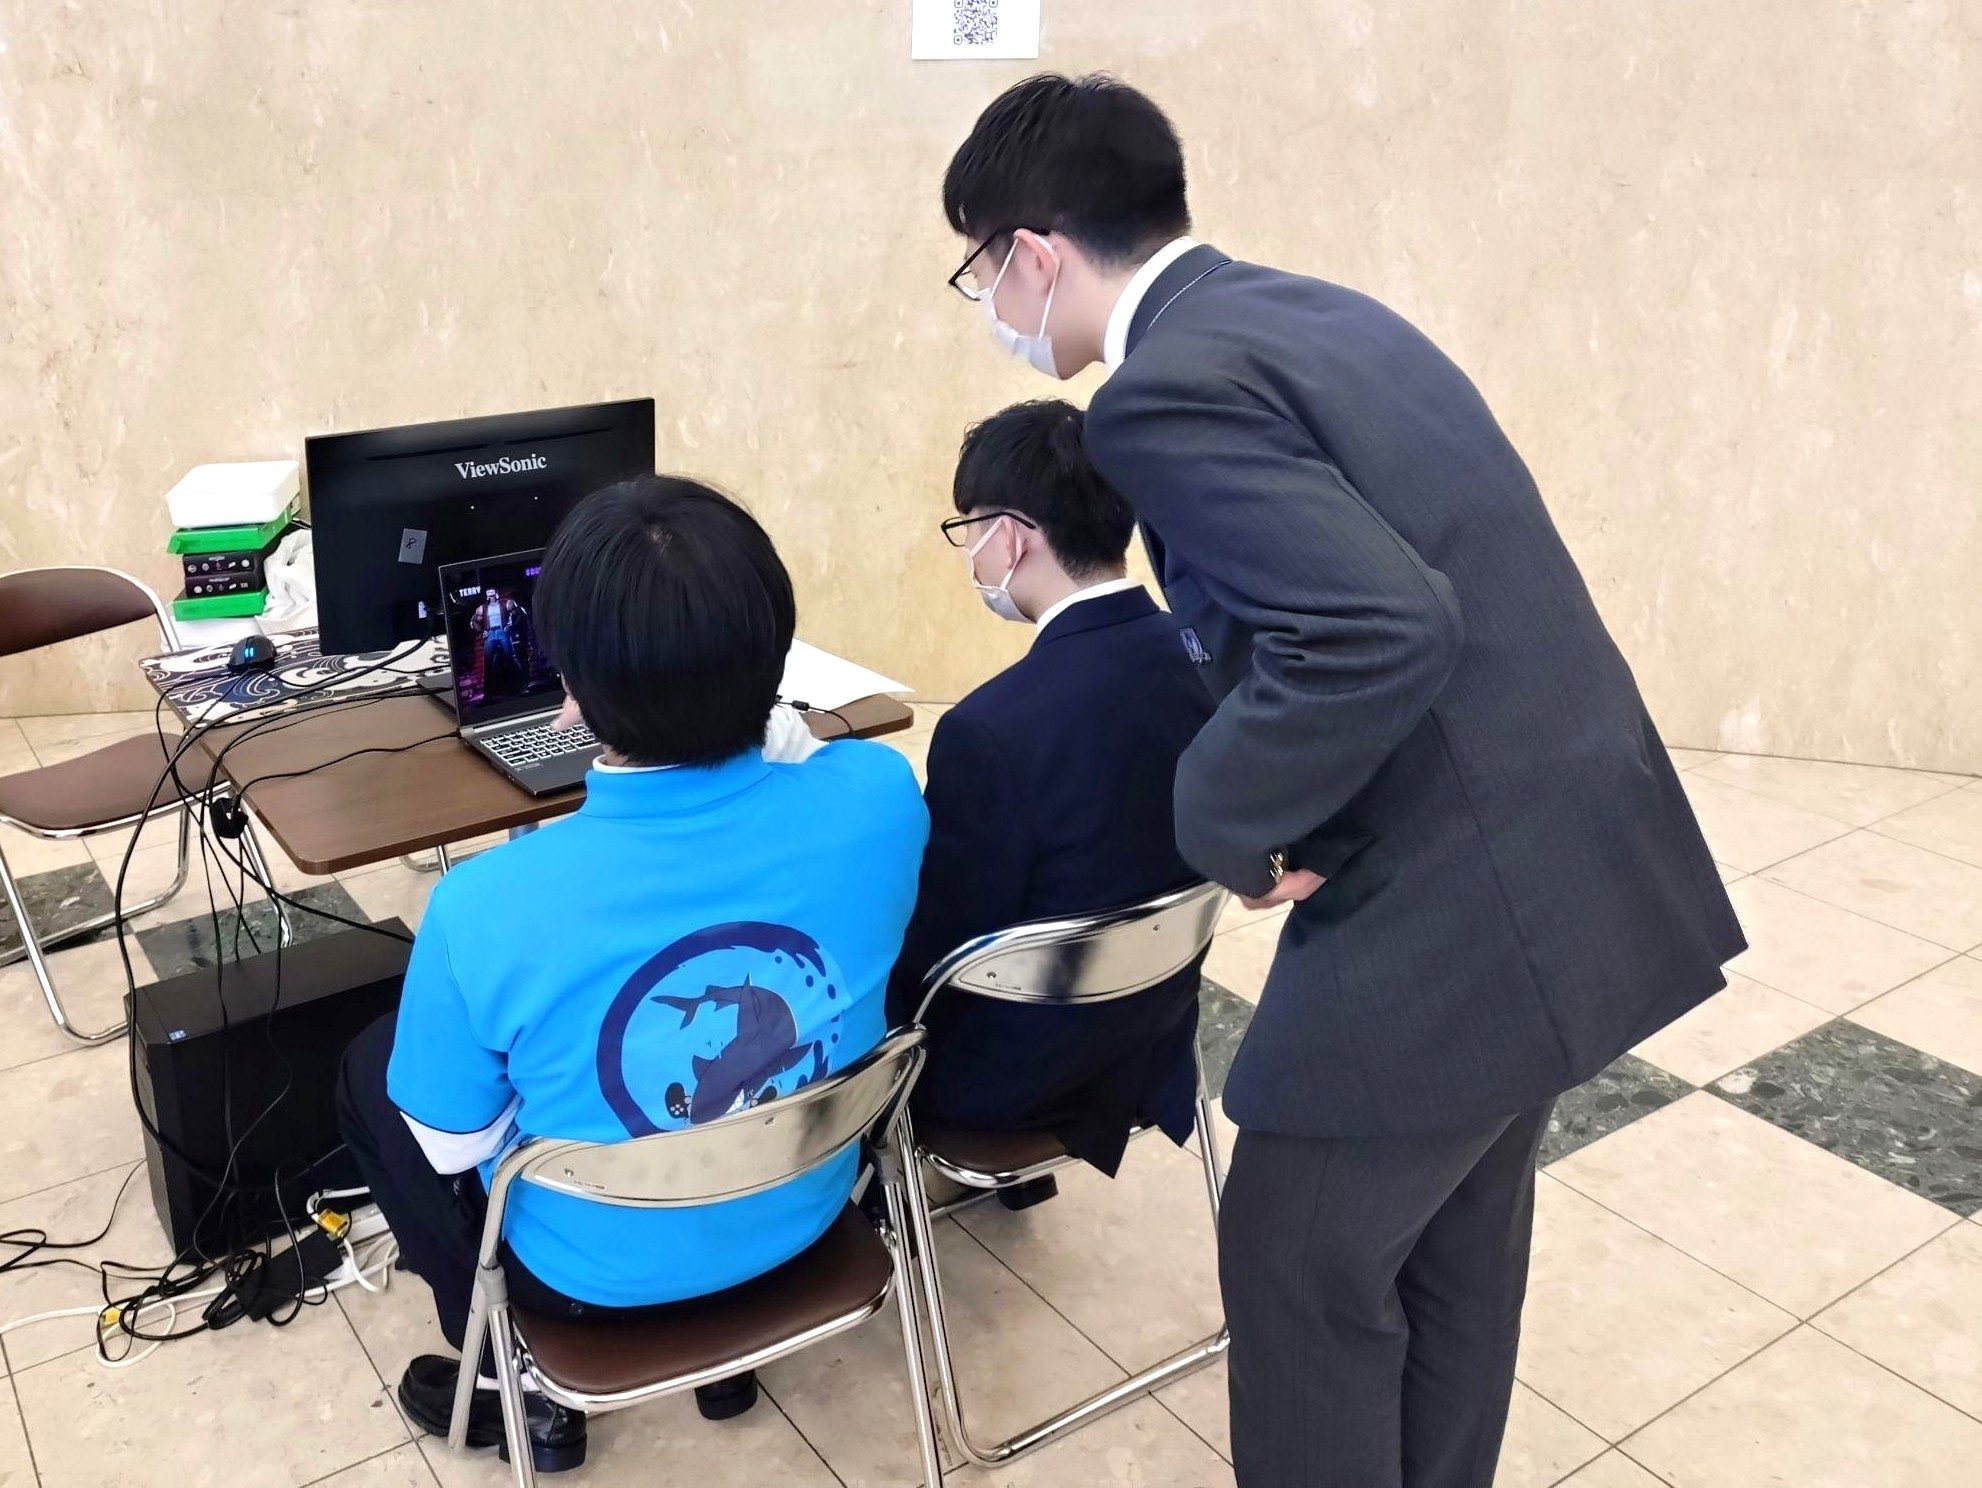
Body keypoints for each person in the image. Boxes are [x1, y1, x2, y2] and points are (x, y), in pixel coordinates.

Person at [940, 75, 1745, 1488]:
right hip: (1571, 845)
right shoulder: (1323, 312)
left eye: (978, 272)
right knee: (1451, 1244)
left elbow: (1382, 624)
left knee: (1297, 1254)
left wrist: (1222, 816)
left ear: (1035, 253)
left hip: (1456, 894)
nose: (989, 307)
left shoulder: (1155, 394)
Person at [336, 476, 927, 1475]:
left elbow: (451, 1145)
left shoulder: (483, 905)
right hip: (809, 1211)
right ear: (778, 654)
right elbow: (803, 753)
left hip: (590, 1287)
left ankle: (518, 1381)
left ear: (569, 692)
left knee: (372, 1073)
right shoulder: (881, 794)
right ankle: (719, 1364)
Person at [888, 398, 1215, 1191]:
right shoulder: (1205, 659)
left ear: (1010, 535)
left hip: (1015, 1082)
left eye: (969, 530)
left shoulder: (989, 731)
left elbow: (934, 956)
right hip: (1155, 1032)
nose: (970, 552)